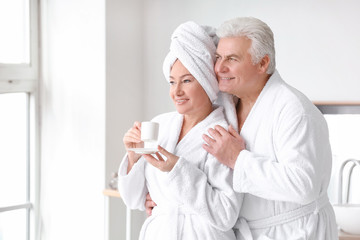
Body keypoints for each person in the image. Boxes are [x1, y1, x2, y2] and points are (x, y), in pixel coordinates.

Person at [200, 17, 338, 239]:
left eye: (232, 59)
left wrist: (238, 159)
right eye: (218, 57)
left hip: (293, 232)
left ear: (263, 63)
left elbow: (303, 185)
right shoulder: (224, 105)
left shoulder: (294, 110)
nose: (219, 68)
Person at [117, 21, 241, 240]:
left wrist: (177, 168)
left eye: (186, 81)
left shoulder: (221, 136)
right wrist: (133, 157)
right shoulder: (161, 125)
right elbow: (134, 200)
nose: (177, 92)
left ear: (207, 83)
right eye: (172, 82)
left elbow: (225, 215)